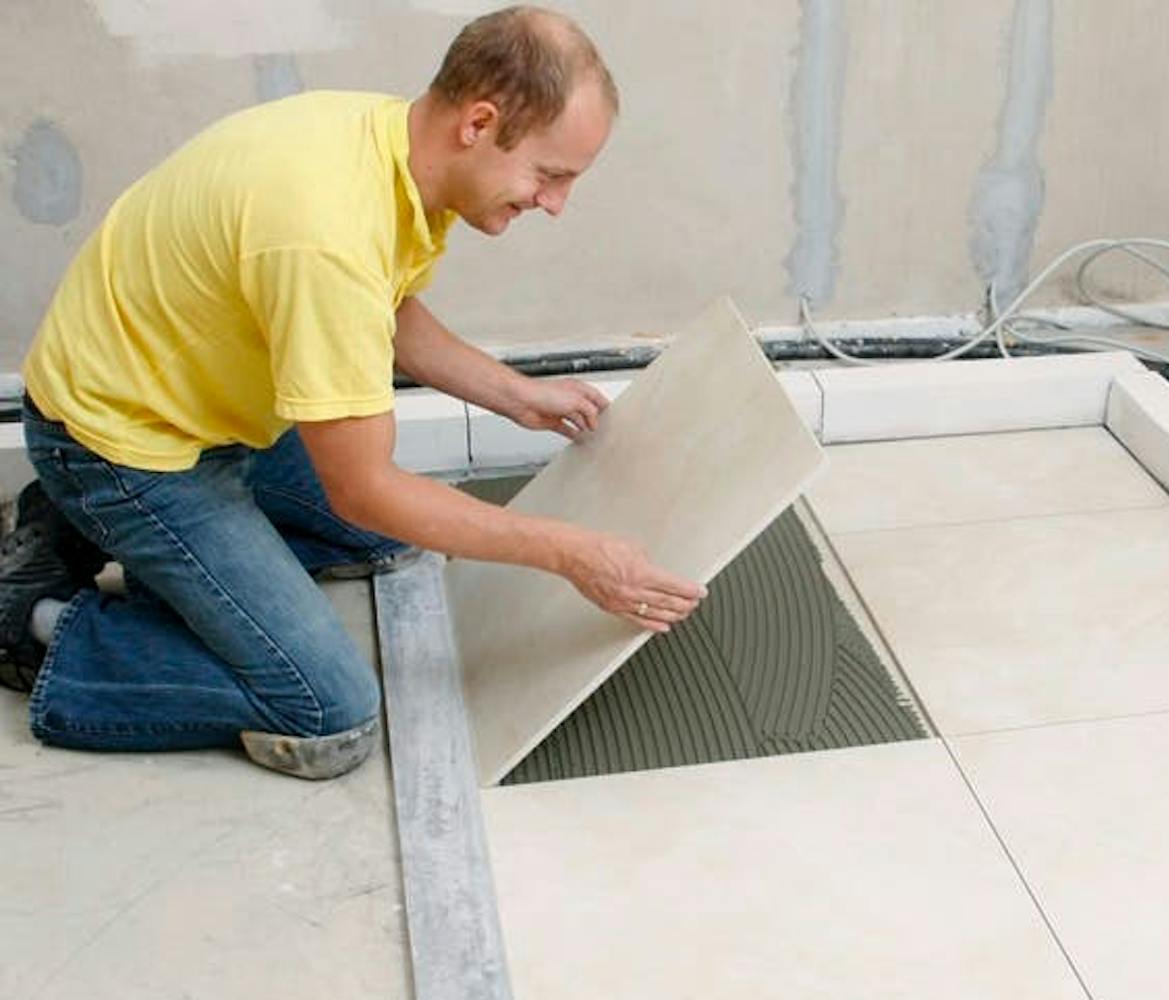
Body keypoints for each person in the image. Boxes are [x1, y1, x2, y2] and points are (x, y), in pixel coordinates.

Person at [0, 6, 705, 779]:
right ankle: (31, 619)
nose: (556, 203)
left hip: (200, 411)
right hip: (119, 447)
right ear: (479, 122)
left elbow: (384, 307)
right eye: (550, 175)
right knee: (325, 709)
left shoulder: (387, 146)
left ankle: (77, 528)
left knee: (385, 540)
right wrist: (573, 553)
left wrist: (516, 396)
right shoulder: (326, 230)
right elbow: (364, 486)